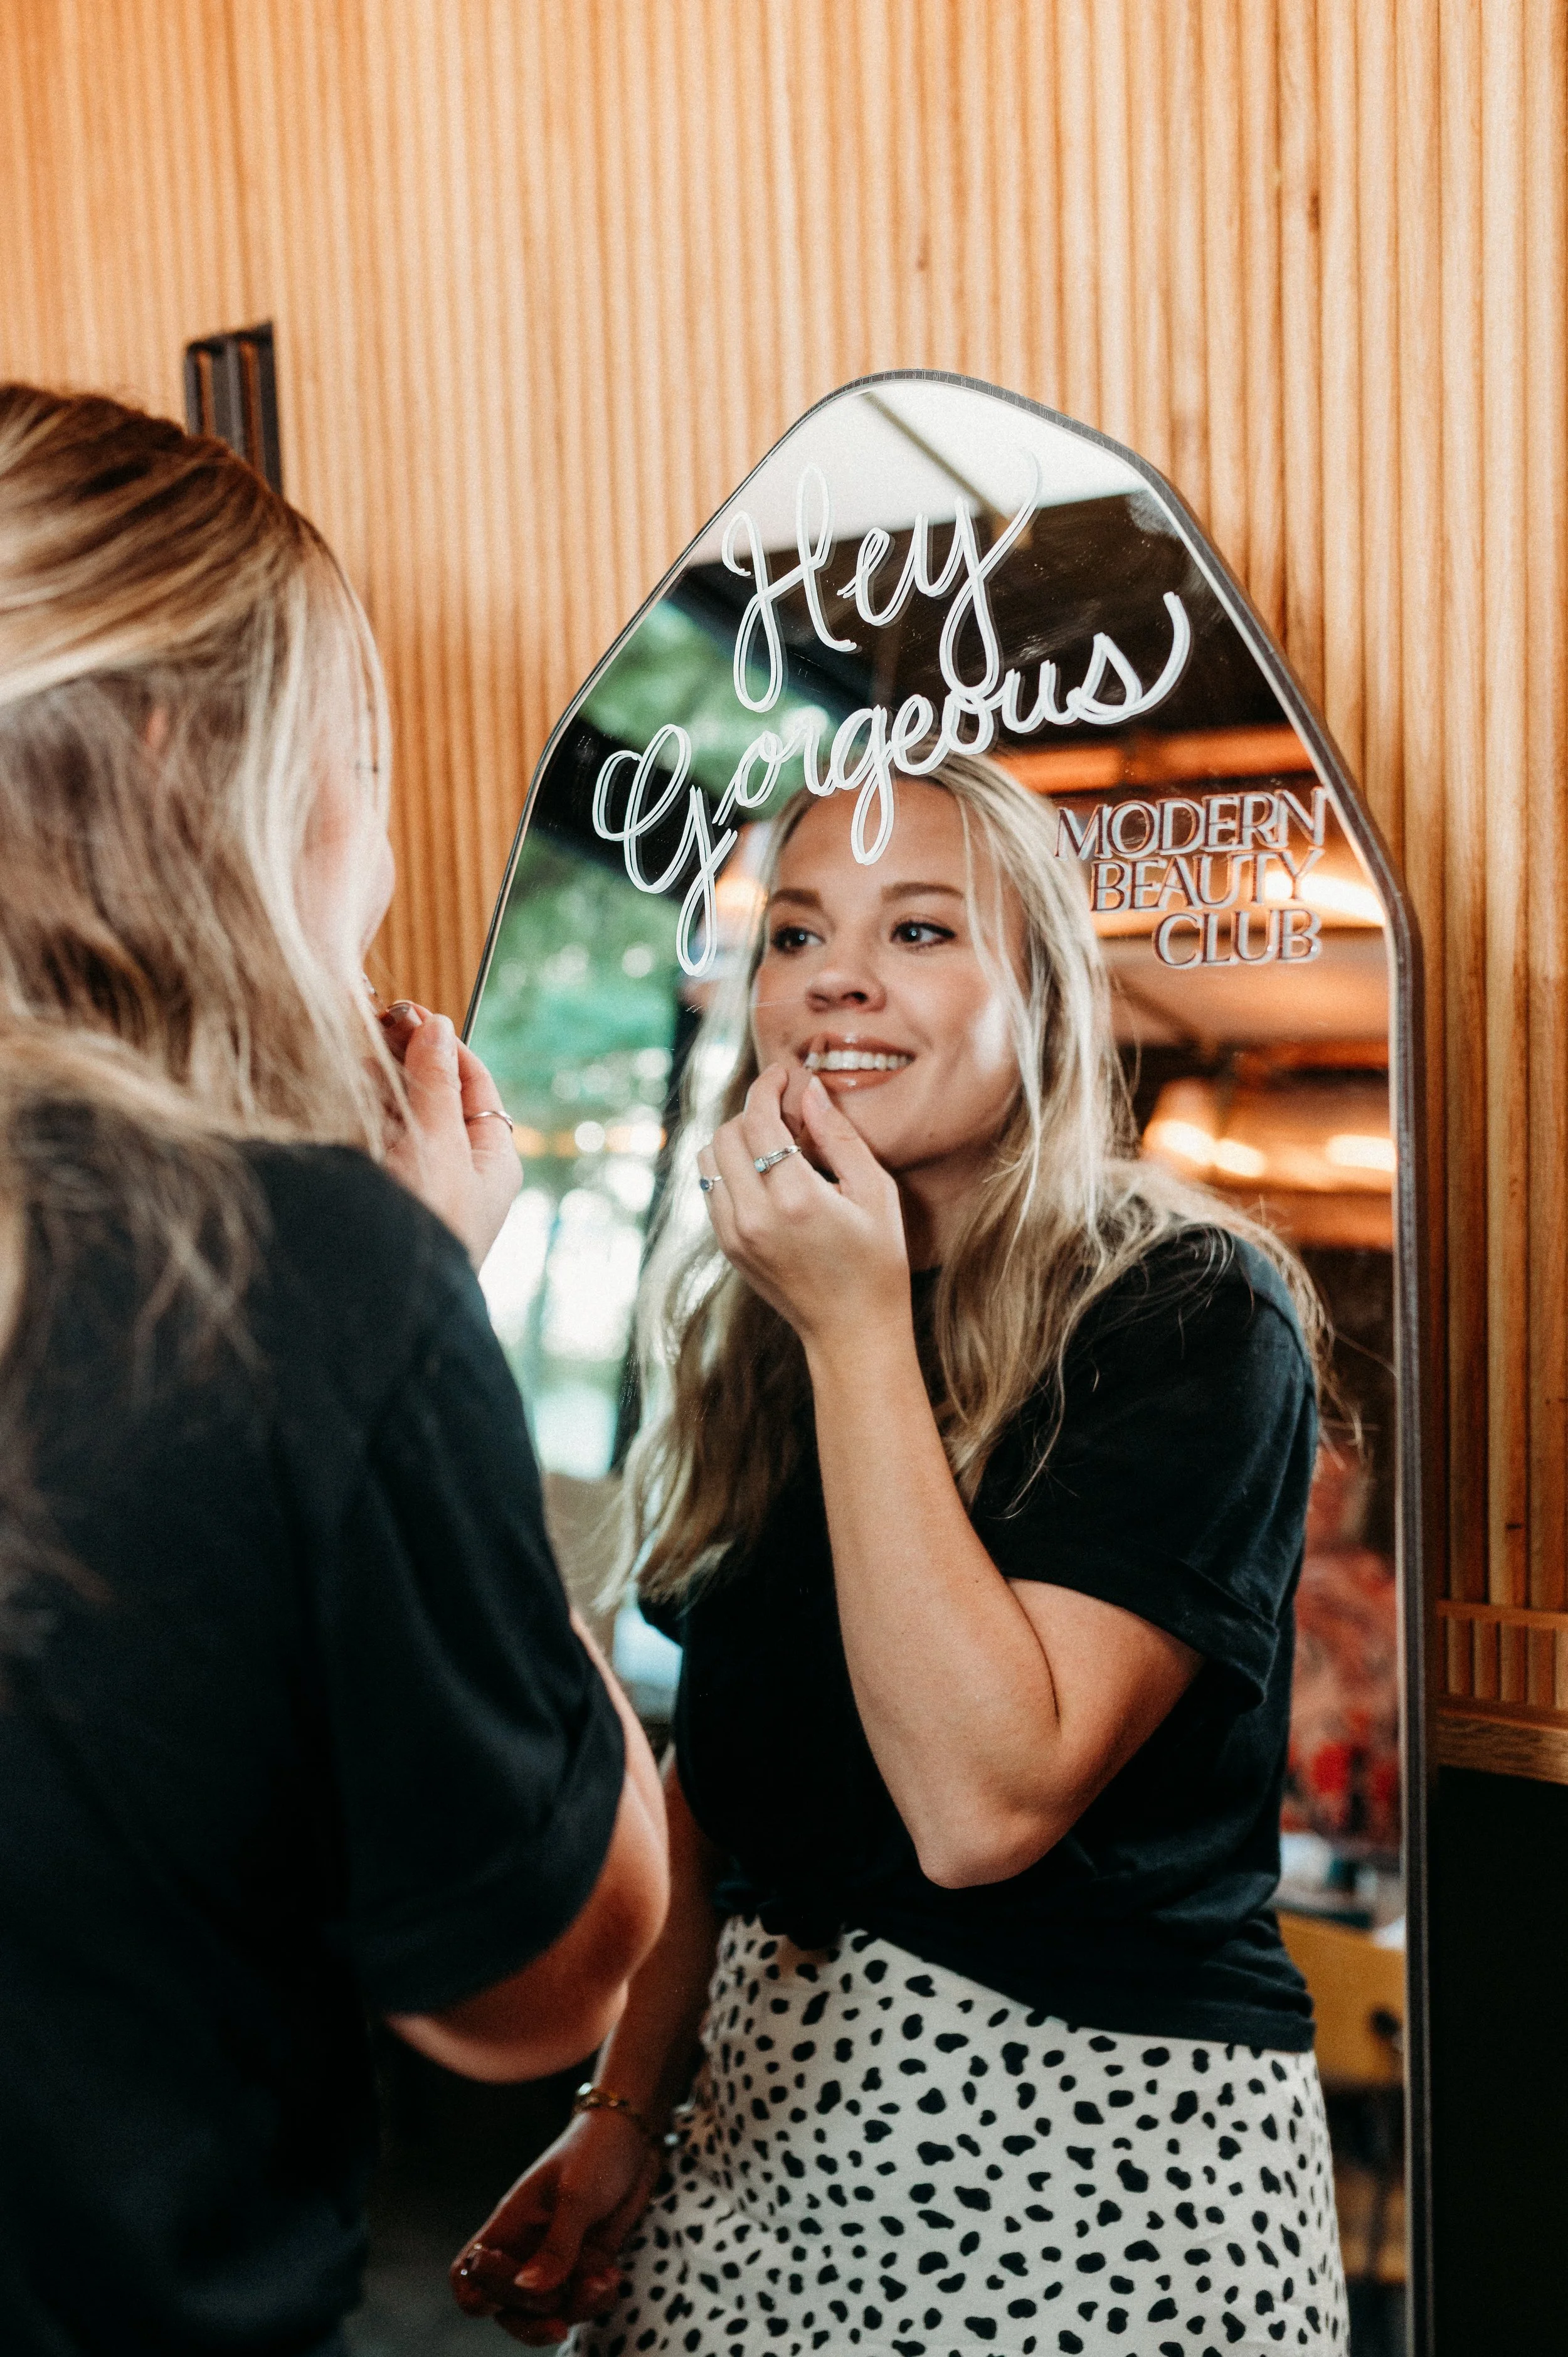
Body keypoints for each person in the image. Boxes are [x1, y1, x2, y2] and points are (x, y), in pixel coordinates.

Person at [456, 755, 1350, 2357]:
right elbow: (711, 1785)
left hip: (1090, 2169)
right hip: (752, 2135)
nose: (835, 977)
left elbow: (981, 1804)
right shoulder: (760, 1314)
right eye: (794, 934)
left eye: (921, 929)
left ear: (1044, 1001)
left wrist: (854, 1320)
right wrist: (623, 2113)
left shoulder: (1189, 1309)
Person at [0, 385, 667, 2357]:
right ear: (176, 762)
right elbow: (540, 1972)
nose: (378, 856)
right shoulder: (302, 1276)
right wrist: (426, 1308)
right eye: (358, 771)